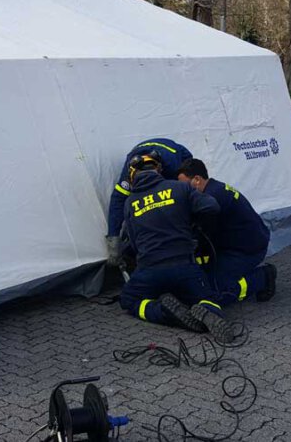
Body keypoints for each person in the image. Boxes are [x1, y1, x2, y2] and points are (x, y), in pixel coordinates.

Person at [118, 154, 237, 343]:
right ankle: (208, 310)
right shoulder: (179, 188)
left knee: (129, 299)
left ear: (133, 176)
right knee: (207, 296)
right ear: (158, 170)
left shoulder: (130, 203)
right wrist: (193, 225)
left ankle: (163, 312)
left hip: (151, 270)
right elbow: (211, 206)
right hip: (184, 266)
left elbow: (132, 243)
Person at [176, 159, 276, 306]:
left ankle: (263, 276)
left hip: (246, 250)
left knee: (220, 292)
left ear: (197, 179)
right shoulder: (214, 189)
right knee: (205, 279)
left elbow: (203, 235)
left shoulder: (212, 199)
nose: (182, 190)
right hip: (237, 244)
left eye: (184, 185)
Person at [106, 138, 193, 260]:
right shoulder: (128, 172)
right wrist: (113, 238)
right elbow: (118, 200)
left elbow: (182, 193)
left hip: (174, 151)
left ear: (159, 169)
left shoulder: (172, 167)